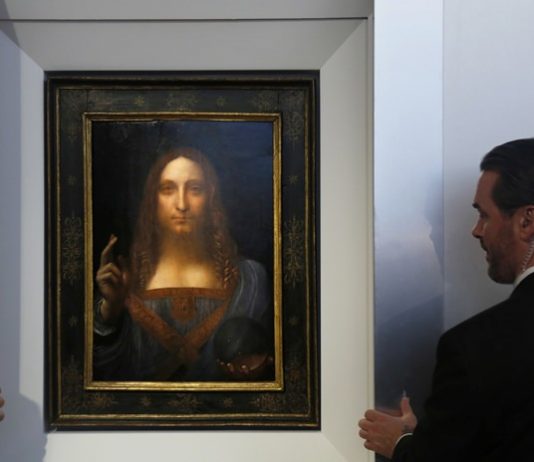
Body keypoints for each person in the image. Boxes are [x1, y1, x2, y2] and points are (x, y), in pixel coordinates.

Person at [358, 138, 534, 460]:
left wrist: (402, 444)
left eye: (484, 215)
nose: (476, 231)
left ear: (526, 222)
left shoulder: (474, 346)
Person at [93, 146, 273, 382]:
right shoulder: (125, 281)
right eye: (168, 189)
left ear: (210, 198)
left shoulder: (250, 280)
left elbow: (265, 363)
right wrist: (110, 309)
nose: (181, 204)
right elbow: (104, 371)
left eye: (195, 189)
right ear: (153, 200)